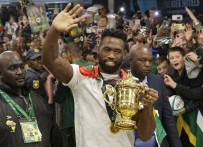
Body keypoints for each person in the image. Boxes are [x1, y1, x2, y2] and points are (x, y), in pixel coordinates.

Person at [42, 4, 158, 147]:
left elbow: (145, 135)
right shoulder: (81, 75)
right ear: (98, 49)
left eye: (117, 51)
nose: (111, 55)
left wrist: (147, 107)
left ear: (124, 54)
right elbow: (50, 59)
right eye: (107, 49)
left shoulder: (134, 85)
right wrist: (54, 30)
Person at [0, 51, 62, 147]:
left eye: (21, 67)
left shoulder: (36, 98)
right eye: (13, 68)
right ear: (1, 73)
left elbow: (54, 137)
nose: (20, 72)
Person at [129, 44, 182, 147]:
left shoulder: (157, 81)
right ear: (131, 61)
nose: (148, 64)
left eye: (150, 60)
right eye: (142, 60)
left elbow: (168, 119)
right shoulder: (120, 83)